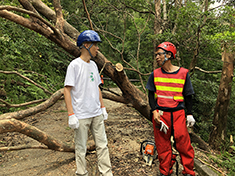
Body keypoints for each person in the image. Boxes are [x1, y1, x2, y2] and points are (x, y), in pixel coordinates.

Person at [64, 30, 113, 176]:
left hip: (96, 113)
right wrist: (71, 114)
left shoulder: (93, 65)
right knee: (81, 147)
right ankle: (81, 173)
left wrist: (102, 107)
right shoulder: (74, 65)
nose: (97, 48)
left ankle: (106, 173)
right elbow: (66, 90)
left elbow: (97, 87)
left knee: (102, 145)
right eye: (95, 45)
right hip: (81, 114)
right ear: (86, 45)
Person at [146, 42, 196, 176]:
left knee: (184, 144)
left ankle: (188, 172)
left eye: (159, 54)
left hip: (178, 113)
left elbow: (188, 95)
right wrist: (154, 111)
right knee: (162, 146)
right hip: (161, 115)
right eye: (156, 55)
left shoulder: (184, 73)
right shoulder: (155, 74)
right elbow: (151, 94)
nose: (157, 57)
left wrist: (189, 114)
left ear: (169, 55)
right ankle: (165, 171)